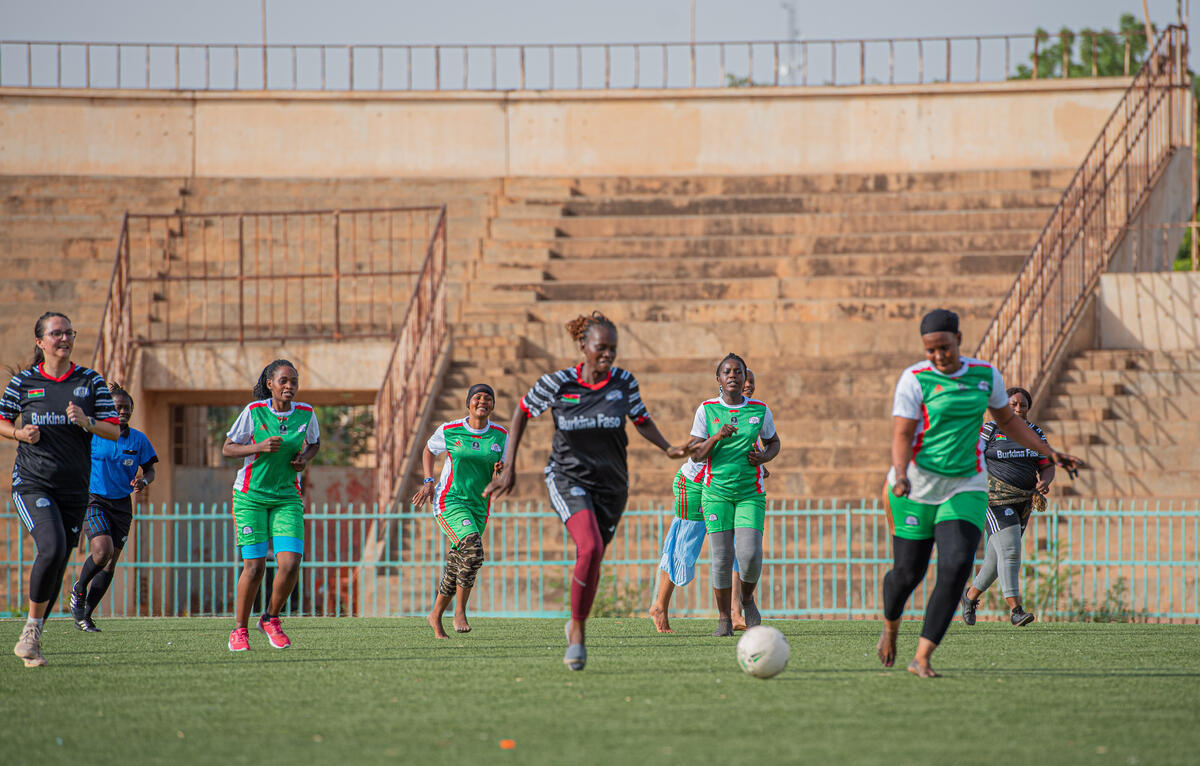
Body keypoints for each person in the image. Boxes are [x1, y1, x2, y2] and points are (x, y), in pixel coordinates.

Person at [877, 309, 1080, 678]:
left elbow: (1009, 422)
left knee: (955, 568)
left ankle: (922, 656)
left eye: (945, 347)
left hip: (965, 486)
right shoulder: (914, 379)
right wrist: (902, 473)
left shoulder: (984, 375)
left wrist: (1051, 455)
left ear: (959, 339)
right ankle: (890, 627)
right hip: (916, 485)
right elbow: (902, 435)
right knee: (908, 573)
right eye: (930, 349)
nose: (939, 355)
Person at [485, 311, 688, 670]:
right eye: (601, 348)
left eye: (613, 348)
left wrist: (668, 448)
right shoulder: (558, 383)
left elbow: (641, 421)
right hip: (567, 478)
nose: (608, 355)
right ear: (584, 347)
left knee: (594, 557)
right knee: (589, 546)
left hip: (612, 486)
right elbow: (520, 412)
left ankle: (576, 620)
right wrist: (510, 465)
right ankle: (577, 631)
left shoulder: (624, 382)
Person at [1, 312, 120, 667]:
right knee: (50, 549)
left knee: (59, 561)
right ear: (41, 341)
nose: (64, 338)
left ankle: (33, 640)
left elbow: (114, 430)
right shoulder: (24, 382)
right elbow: (2, 420)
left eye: (69, 332)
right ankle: (31, 632)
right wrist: (20, 434)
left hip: (74, 489)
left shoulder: (90, 381)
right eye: (56, 333)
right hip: (33, 482)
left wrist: (87, 422)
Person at [649, 368, 760, 634]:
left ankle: (734, 613)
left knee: (736, 548)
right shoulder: (712, 412)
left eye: (750, 381)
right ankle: (660, 606)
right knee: (685, 545)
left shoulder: (752, 416)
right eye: (741, 379)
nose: (746, 385)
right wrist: (718, 437)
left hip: (729, 491)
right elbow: (696, 448)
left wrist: (760, 463)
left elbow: (750, 454)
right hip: (696, 485)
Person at [222, 359, 320, 652]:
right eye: (283, 381)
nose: (289, 386)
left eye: (294, 381)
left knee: (290, 563)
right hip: (250, 496)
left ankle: (270, 618)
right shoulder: (254, 412)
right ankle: (239, 630)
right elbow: (227, 448)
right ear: (270, 384)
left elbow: (314, 443)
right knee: (253, 567)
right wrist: (258, 447)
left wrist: (304, 459)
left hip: (287, 496)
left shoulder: (306, 413)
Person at [689, 354, 780, 637]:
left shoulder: (760, 410)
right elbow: (695, 452)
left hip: (749, 494)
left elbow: (774, 442)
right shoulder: (706, 410)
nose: (732, 375)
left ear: (744, 378)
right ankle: (724, 618)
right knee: (721, 558)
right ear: (718, 379)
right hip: (716, 493)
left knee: (750, 555)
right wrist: (716, 437)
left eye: (738, 372)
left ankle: (748, 599)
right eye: (727, 372)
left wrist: (764, 456)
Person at [411, 383, 507, 639]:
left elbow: (504, 467)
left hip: (479, 506)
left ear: (493, 405)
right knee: (473, 550)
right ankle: (460, 612)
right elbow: (429, 450)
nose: (482, 401)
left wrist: (501, 470)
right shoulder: (450, 430)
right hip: (450, 500)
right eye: (477, 397)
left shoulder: (500, 435)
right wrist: (428, 480)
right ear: (468, 403)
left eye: (488, 397)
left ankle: (434, 615)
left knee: (458, 562)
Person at [961, 386, 1055, 627]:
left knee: (995, 559)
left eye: (1022, 405)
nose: (1018, 409)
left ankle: (969, 597)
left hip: (1024, 501)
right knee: (1011, 550)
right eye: (1012, 404)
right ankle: (1016, 610)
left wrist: (1045, 481)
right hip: (994, 499)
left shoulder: (1034, 433)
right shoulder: (989, 430)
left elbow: (1047, 464)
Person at [69, 383, 158, 632]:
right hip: (94, 499)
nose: (123, 411)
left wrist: (144, 480)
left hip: (121, 504)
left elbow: (150, 468)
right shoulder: (93, 433)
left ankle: (85, 616)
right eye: (118, 407)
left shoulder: (138, 440)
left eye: (127, 408)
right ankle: (78, 589)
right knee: (102, 550)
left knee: (110, 563)